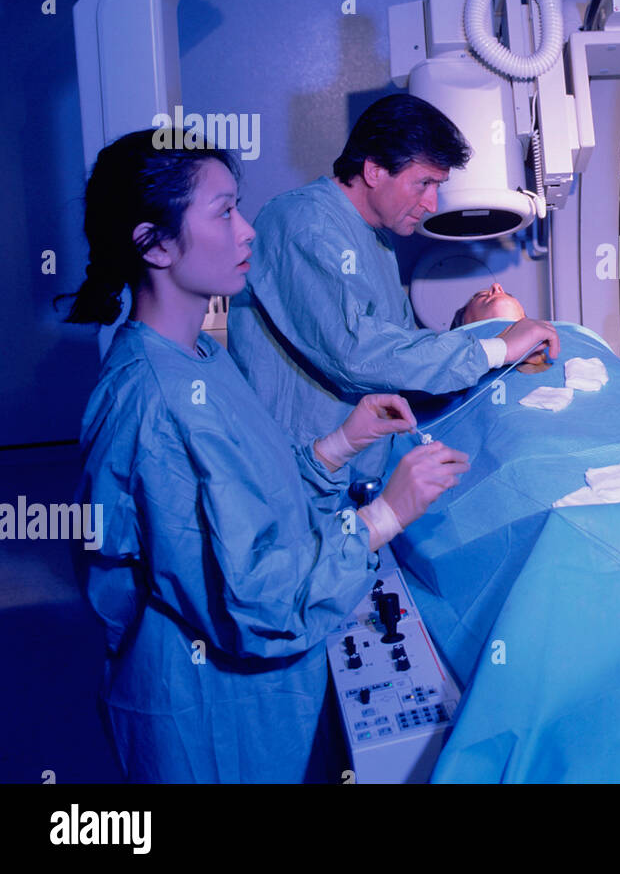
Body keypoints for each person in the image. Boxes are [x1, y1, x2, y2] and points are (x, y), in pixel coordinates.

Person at [66, 131, 470, 783]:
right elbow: (258, 600)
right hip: (205, 715)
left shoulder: (199, 357)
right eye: (224, 211)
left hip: (251, 703)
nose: (249, 231)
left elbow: (256, 490)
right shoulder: (160, 404)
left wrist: (341, 442)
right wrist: (383, 517)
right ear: (156, 243)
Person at [228, 94, 559, 474]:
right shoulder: (303, 224)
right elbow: (355, 352)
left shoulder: (376, 240)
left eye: (438, 185)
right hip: (299, 474)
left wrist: (490, 360)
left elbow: (396, 354)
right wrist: (493, 350)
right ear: (374, 171)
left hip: (356, 474)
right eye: (424, 184)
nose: (432, 203)